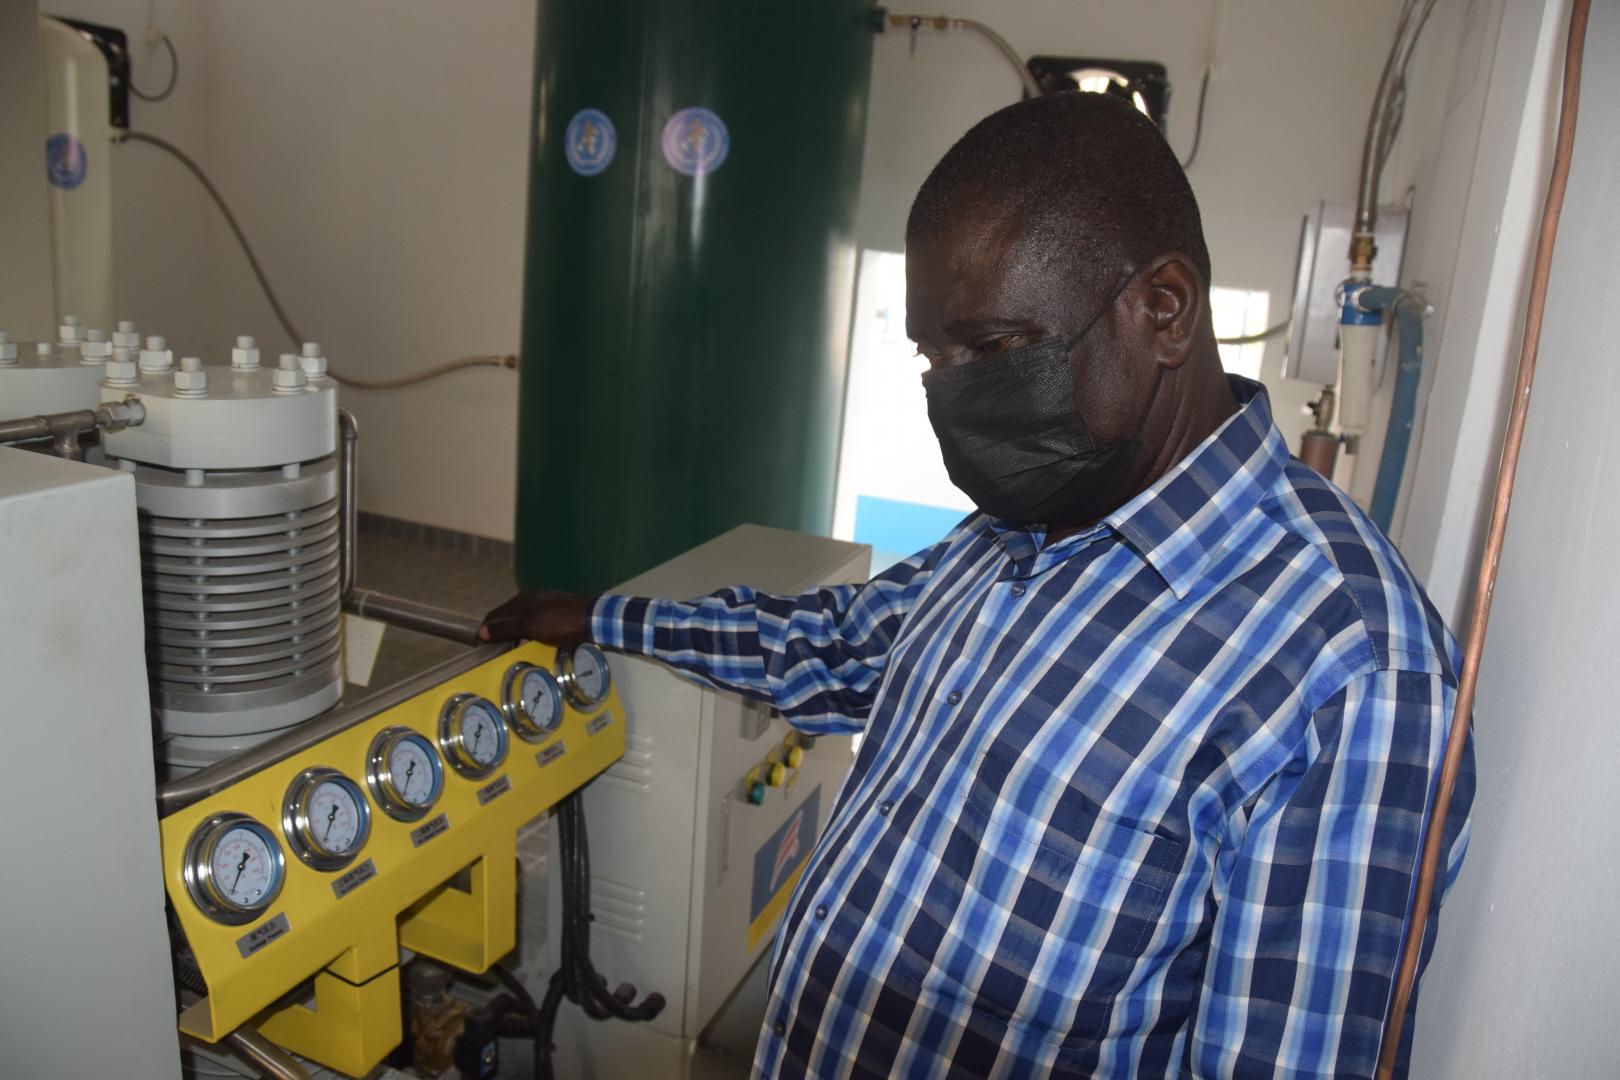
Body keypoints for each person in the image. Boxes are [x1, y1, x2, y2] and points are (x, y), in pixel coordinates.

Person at [480, 91, 1474, 1079]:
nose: (953, 399)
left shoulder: (1352, 677)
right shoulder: (1030, 520)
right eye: (931, 357)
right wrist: (607, 616)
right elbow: (839, 642)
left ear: (1162, 309)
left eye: (994, 350)